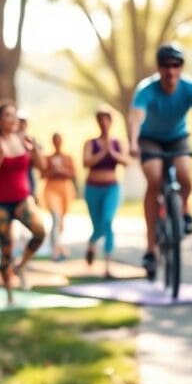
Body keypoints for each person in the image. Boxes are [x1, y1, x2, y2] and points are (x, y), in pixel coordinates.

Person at [128, 43, 192, 279]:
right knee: (155, 179)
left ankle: (183, 208)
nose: (171, 71)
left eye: (176, 65)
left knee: (185, 174)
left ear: (181, 68)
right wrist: (132, 143)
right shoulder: (146, 89)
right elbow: (136, 118)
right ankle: (150, 249)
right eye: (166, 66)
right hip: (150, 140)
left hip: (178, 138)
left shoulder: (190, 88)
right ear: (159, 68)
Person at [0, 101, 46, 303]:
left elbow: (42, 166)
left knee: (40, 232)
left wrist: (36, 150)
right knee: (6, 248)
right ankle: (9, 293)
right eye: (9, 115)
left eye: (15, 115)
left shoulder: (24, 141)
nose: (14, 119)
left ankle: (22, 265)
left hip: (22, 199)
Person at [83, 107, 130, 278]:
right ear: (97, 122)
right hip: (92, 188)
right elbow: (86, 162)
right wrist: (102, 152)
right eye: (100, 119)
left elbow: (126, 161)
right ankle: (91, 244)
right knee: (98, 225)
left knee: (108, 221)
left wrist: (113, 153)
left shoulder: (118, 143)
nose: (103, 123)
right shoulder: (91, 143)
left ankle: (108, 265)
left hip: (112, 187)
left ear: (111, 121)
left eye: (106, 119)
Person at [41, 132, 77, 261]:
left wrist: (61, 170)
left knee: (61, 220)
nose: (57, 142)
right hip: (51, 188)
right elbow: (42, 174)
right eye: (55, 140)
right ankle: (55, 250)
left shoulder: (68, 157)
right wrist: (53, 171)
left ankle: (58, 245)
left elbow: (73, 174)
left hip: (65, 189)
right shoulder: (48, 158)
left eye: (59, 140)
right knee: (56, 218)